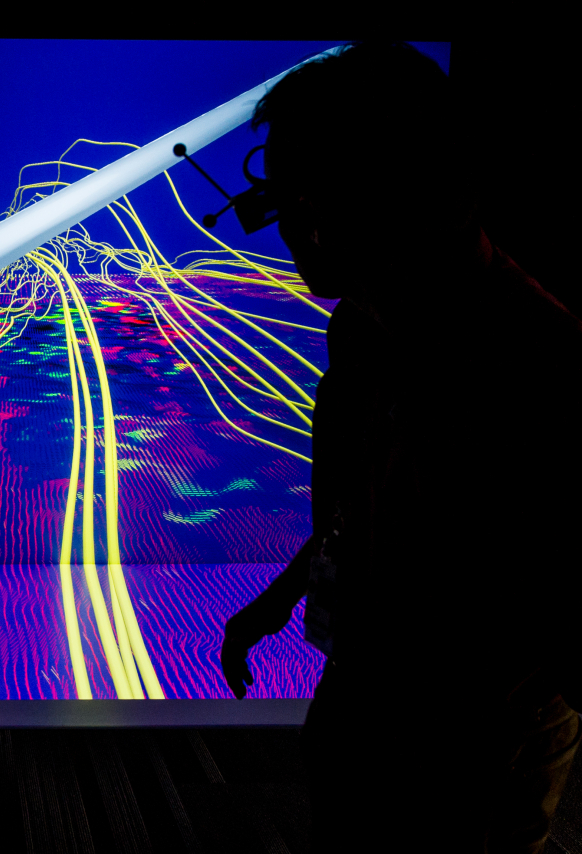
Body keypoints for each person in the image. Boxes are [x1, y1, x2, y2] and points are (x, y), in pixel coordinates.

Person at [216, 42, 580, 853]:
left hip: (471, 736)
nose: (296, 232)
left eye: (321, 196)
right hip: (370, 689)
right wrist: (282, 600)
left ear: (414, 183)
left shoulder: (536, 365)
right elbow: (364, 496)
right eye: (285, 201)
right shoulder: (367, 322)